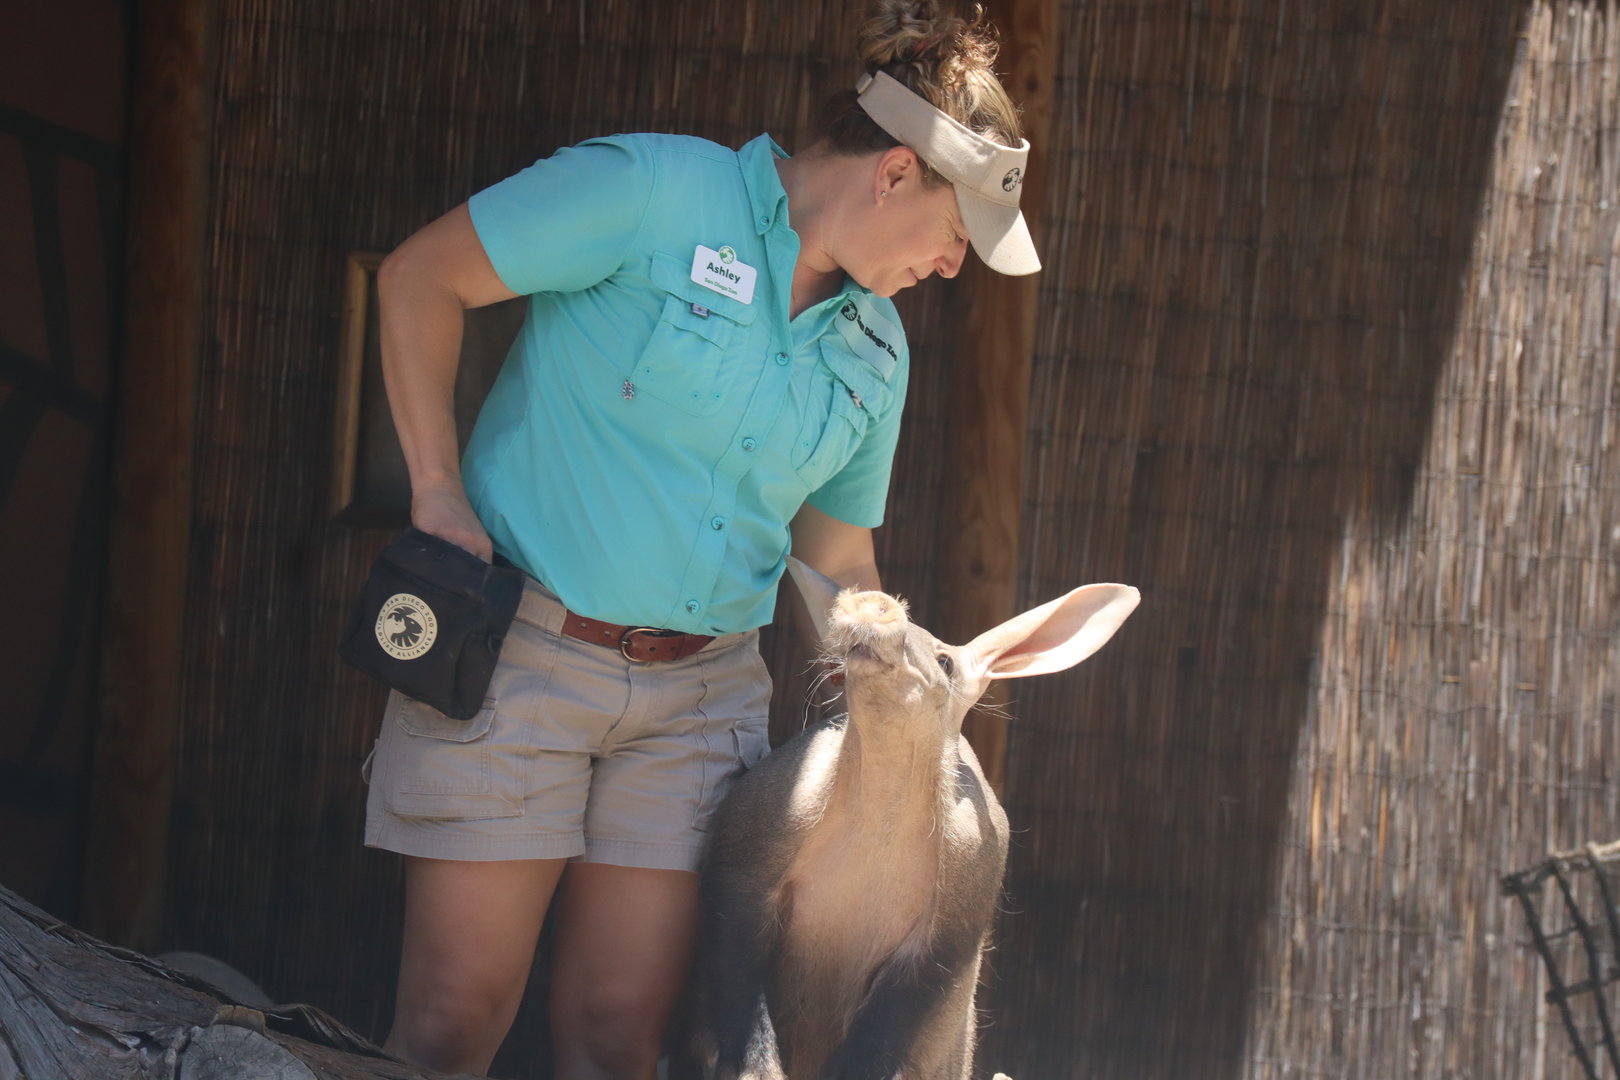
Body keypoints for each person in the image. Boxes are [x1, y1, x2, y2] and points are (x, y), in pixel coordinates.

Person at [361, 1, 1039, 1076]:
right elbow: (418, 278)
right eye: (960, 235)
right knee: (451, 1024)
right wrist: (436, 495)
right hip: (518, 659)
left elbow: (841, 563)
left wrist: (911, 707)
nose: (957, 268)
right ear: (898, 172)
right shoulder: (650, 191)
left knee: (619, 1037)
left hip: (697, 703)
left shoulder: (878, 351)